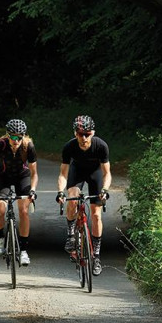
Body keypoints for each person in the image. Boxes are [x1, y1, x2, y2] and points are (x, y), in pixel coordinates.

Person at [56, 115, 111, 276]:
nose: (84, 137)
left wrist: (105, 190)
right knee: (72, 197)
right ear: (75, 134)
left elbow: (107, 173)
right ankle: (71, 235)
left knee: (95, 214)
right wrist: (60, 192)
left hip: (95, 174)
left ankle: (97, 256)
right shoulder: (69, 147)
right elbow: (63, 174)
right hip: (77, 172)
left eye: (87, 133)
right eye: (81, 134)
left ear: (93, 132)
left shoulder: (101, 146)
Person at [0, 119, 38, 266]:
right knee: (0, 209)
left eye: (19, 137)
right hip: (4, 176)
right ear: (8, 135)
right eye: (13, 137)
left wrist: (32, 190)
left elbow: (34, 173)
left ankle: (24, 251)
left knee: (24, 210)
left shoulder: (28, 146)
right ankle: (0, 238)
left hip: (23, 176)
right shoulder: (0, 145)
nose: (16, 140)